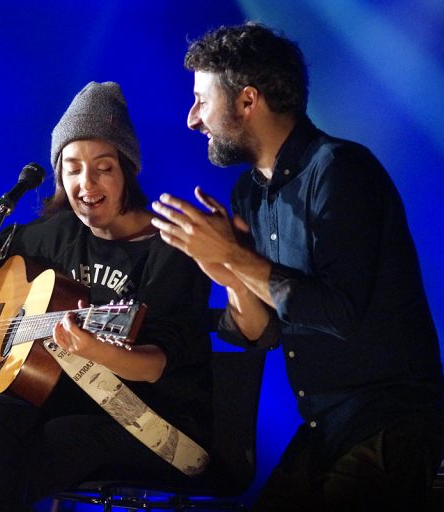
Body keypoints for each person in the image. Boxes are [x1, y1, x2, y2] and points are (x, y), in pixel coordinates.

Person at [151, 22, 444, 511]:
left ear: (248, 100)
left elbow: (338, 312)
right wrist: (228, 274)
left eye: (201, 100)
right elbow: (261, 333)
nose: (192, 118)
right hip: (323, 426)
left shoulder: (341, 170)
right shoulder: (247, 194)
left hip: (388, 420)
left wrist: (233, 255)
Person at [0, 81, 213, 511]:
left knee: (19, 453)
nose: (86, 183)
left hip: (152, 418)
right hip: (65, 401)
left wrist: (96, 350)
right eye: (72, 169)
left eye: (103, 168)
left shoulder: (171, 247)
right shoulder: (61, 231)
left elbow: (157, 365)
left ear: (127, 170)